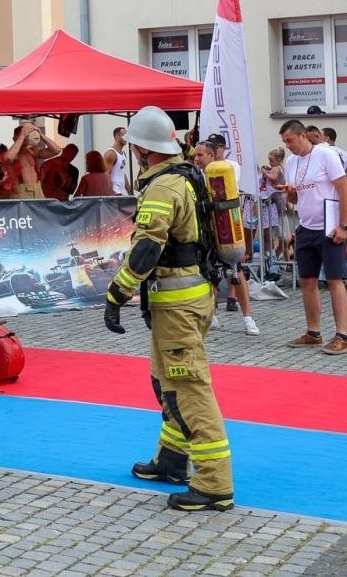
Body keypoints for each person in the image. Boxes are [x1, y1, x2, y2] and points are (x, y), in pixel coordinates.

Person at [102, 106, 233, 513]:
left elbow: (146, 249)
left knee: (189, 387)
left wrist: (117, 295)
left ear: (141, 150)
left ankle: (214, 482)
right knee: (167, 381)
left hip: (177, 303)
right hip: (191, 296)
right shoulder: (188, 177)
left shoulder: (162, 188)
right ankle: (173, 459)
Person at [279, 119, 347, 355]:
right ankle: (313, 333)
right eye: (284, 142)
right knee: (308, 281)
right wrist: (290, 195)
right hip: (306, 227)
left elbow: (343, 189)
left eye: (289, 140)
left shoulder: (325, 155)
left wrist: (344, 226)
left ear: (303, 136)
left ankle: (342, 335)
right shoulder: (291, 162)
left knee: (334, 280)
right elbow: (296, 199)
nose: (287, 145)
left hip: (330, 227)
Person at [192, 138, 258, 336]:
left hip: (225, 230)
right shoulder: (194, 176)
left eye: (200, 155)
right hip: (205, 231)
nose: (196, 159)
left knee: (236, 272)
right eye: (195, 155)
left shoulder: (226, 170)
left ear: (213, 155)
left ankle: (248, 319)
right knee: (207, 273)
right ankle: (211, 315)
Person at [2, 120, 58, 198]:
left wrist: (41, 135)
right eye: (23, 135)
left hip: (38, 190)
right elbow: (8, 158)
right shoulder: (10, 154)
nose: (26, 137)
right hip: (22, 191)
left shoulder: (32, 151)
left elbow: (56, 151)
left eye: (27, 135)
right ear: (14, 138)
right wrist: (22, 136)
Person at [104, 126, 131, 194]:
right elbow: (106, 175)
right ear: (117, 136)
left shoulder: (123, 154)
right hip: (115, 193)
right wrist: (111, 193)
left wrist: (130, 191)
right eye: (124, 135)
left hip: (121, 193)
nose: (126, 138)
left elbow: (122, 173)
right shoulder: (111, 153)